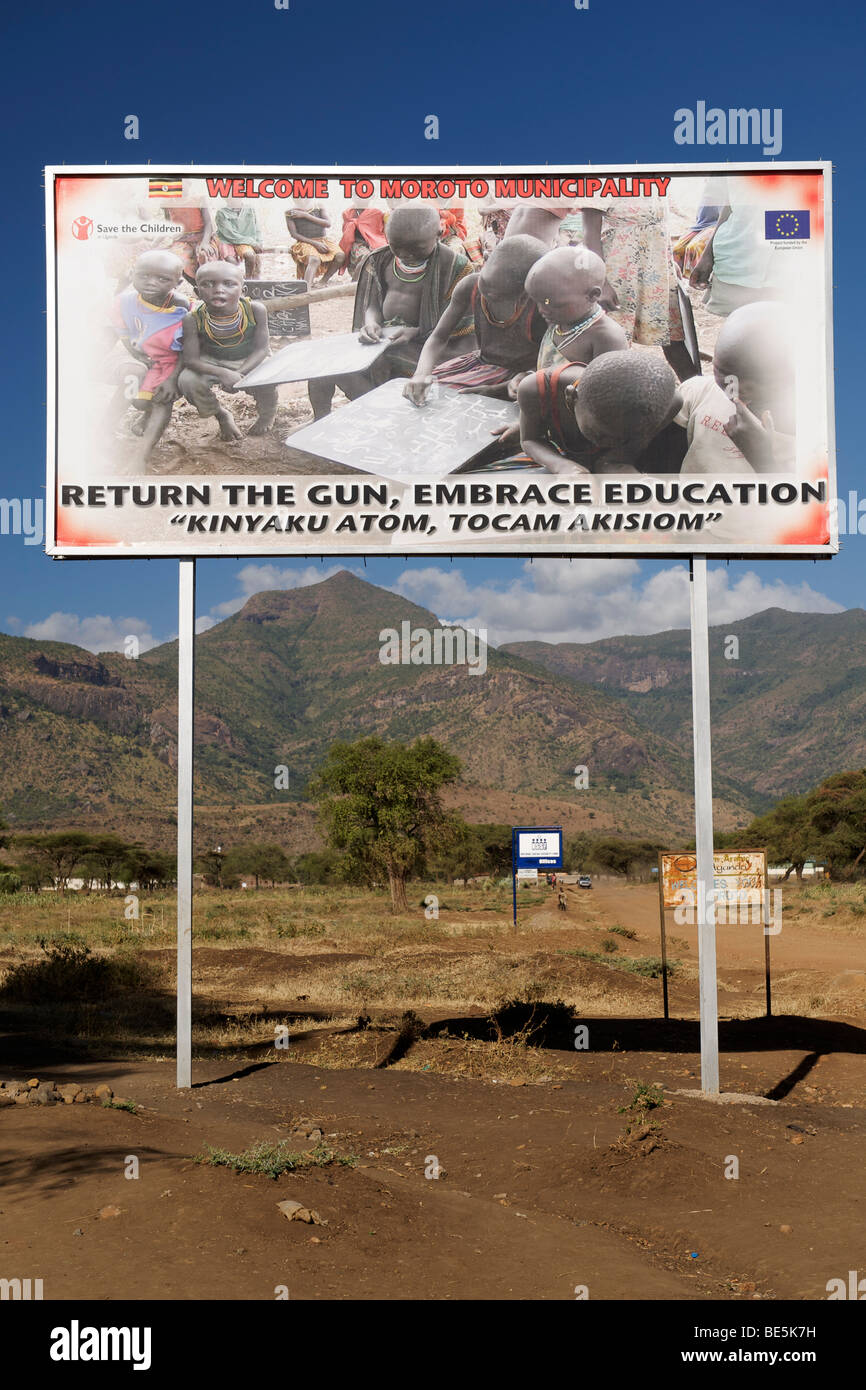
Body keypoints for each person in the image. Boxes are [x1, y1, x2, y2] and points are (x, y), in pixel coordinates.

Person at [309, 205, 474, 418]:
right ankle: (321, 421)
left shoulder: (457, 268)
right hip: (385, 341)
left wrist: (417, 331)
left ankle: (388, 415)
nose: (406, 255)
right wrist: (371, 323)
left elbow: (463, 327)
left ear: (439, 233)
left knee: (394, 365)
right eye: (397, 247)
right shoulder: (379, 260)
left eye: (416, 248)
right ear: (386, 236)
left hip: (431, 350)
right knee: (322, 363)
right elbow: (373, 305)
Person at [403, 234, 548, 405]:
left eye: (501, 295)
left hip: (519, 379)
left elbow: (549, 362)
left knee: (453, 405)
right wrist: (421, 374)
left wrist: (508, 385)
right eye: (486, 283)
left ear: (527, 289)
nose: (489, 294)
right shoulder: (469, 286)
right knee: (428, 393)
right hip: (480, 364)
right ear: (484, 259)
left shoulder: (540, 307)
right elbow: (438, 338)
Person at [675, 302, 795, 473]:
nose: (734, 389)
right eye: (722, 373)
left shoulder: (818, 431)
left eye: (753, 384)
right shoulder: (696, 394)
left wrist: (764, 462)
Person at [521, 351, 687, 475]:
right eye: (599, 434)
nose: (607, 443)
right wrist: (561, 466)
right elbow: (529, 439)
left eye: (624, 438)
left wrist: (627, 473)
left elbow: (616, 459)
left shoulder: (669, 405)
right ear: (571, 397)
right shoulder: (538, 388)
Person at [178, 261, 277, 439]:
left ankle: (267, 414)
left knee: (268, 378)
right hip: (213, 361)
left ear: (243, 290)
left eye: (229, 284)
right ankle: (221, 415)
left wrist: (237, 373)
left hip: (249, 358)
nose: (218, 289)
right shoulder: (192, 319)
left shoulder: (254, 310)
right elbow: (191, 360)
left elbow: (262, 349)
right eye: (208, 284)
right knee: (188, 381)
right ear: (196, 291)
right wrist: (223, 373)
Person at [108, 250, 189, 463]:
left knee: (163, 399)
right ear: (132, 273)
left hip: (171, 361)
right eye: (144, 276)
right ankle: (104, 430)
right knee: (133, 386)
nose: (151, 283)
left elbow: (186, 348)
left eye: (162, 279)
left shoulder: (181, 307)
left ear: (178, 282)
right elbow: (124, 334)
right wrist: (138, 355)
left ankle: (141, 456)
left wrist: (172, 379)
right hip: (142, 357)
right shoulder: (124, 302)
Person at [286, 204, 346, 288]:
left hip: (323, 240)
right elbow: (294, 234)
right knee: (314, 259)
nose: (302, 199)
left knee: (340, 256)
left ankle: (323, 281)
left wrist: (305, 215)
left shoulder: (318, 207)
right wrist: (315, 243)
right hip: (304, 242)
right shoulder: (291, 212)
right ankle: (306, 288)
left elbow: (327, 224)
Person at [339, 200, 388, 278]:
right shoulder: (348, 213)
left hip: (374, 243)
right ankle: (355, 282)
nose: (362, 199)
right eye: (358, 196)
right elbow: (347, 234)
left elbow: (379, 233)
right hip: (356, 244)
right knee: (365, 257)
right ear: (353, 196)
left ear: (371, 197)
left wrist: (372, 244)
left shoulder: (376, 213)